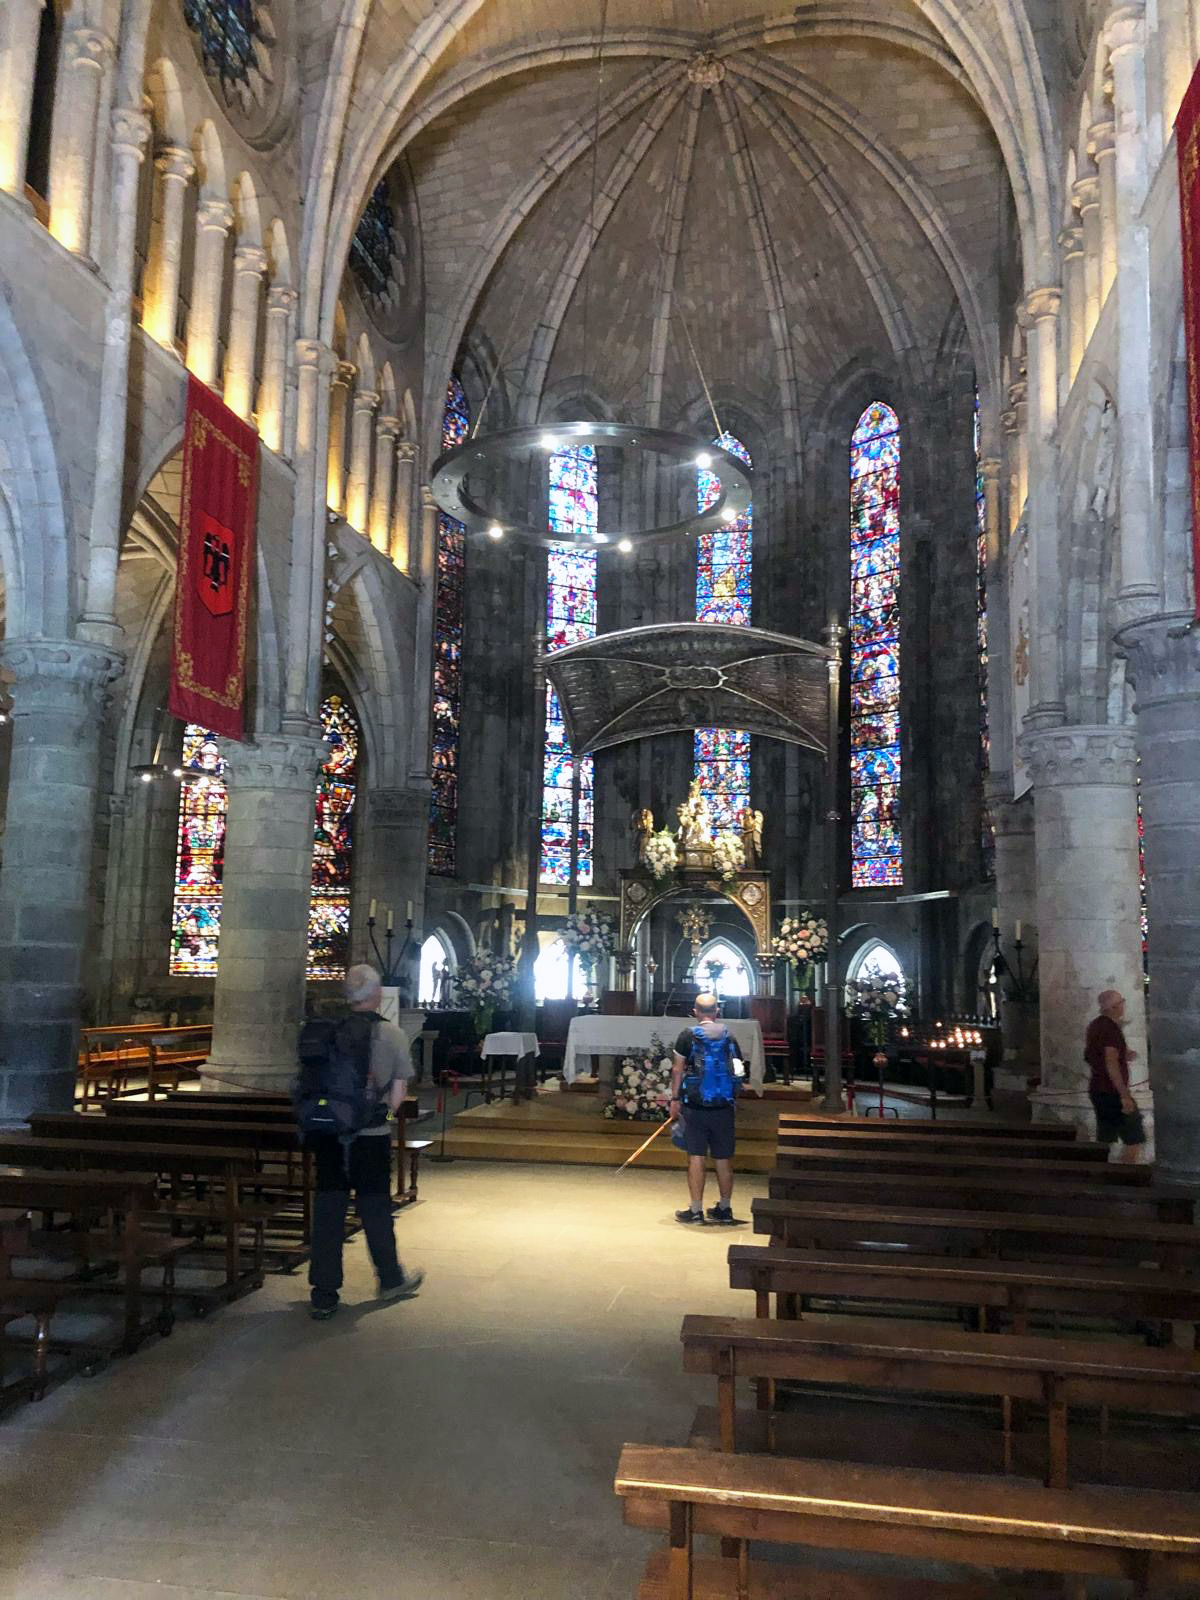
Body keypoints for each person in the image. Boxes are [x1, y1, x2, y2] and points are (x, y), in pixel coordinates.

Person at [306, 964, 425, 1319]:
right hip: (371, 1136)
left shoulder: (327, 1030)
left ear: (347, 995)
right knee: (375, 1209)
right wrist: (383, 1120)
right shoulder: (391, 1034)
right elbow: (398, 1096)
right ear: (376, 994)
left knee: (328, 1210)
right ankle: (390, 1279)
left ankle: (324, 1294)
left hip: (329, 1133)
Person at [670, 994, 744, 1225]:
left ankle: (695, 1210)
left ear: (695, 1012)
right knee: (723, 1158)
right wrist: (733, 1095)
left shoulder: (687, 1035)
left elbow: (677, 1070)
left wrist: (675, 1098)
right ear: (717, 1012)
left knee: (696, 1156)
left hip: (695, 1104)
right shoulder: (729, 1035)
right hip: (723, 1104)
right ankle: (725, 1208)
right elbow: (739, 1070)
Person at [1084, 989, 1145, 1163]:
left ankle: (1102, 1172)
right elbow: (1110, 1062)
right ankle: (1125, 1174)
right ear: (1113, 1007)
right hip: (1112, 1091)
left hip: (1098, 1089)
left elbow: (1097, 1055)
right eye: (1121, 1002)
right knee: (1134, 1137)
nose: (1123, 1005)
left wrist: (1124, 1054)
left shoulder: (1095, 1025)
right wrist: (1124, 1095)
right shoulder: (1110, 1029)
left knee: (1105, 1139)